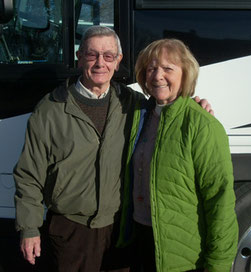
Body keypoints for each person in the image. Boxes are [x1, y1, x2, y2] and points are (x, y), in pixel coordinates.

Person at [13, 26, 213, 272]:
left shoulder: (133, 104)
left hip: (120, 231)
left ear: (118, 62)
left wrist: (194, 105)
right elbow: (28, 175)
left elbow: (168, 106)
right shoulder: (51, 109)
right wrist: (29, 228)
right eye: (91, 54)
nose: (100, 63)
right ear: (79, 57)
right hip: (71, 230)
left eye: (108, 56)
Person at [117, 39, 238, 272]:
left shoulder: (202, 125)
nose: (157, 76)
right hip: (141, 239)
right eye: (151, 69)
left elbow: (220, 199)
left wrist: (219, 264)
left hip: (182, 254)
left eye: (167, 68)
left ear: (186, 74)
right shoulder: (140, 115)